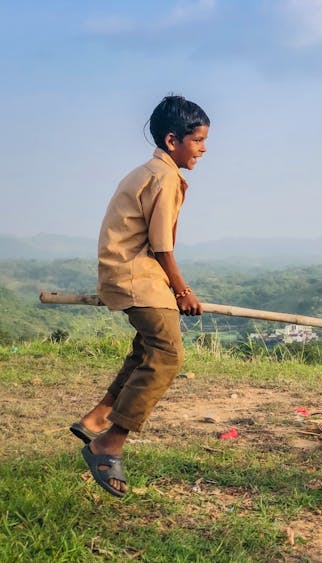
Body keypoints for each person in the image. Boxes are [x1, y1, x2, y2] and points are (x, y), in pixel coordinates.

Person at [69, 95, 209, 497]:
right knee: (167, 354)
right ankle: (108, 443)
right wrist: (182, 291)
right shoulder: (163, 177)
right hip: (137, 277)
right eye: (197, 140)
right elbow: (162, 243)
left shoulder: (146, 171)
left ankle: (97, 417)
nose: (203, 148)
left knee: (146, 350)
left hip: (126, 272)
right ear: (172, 140)